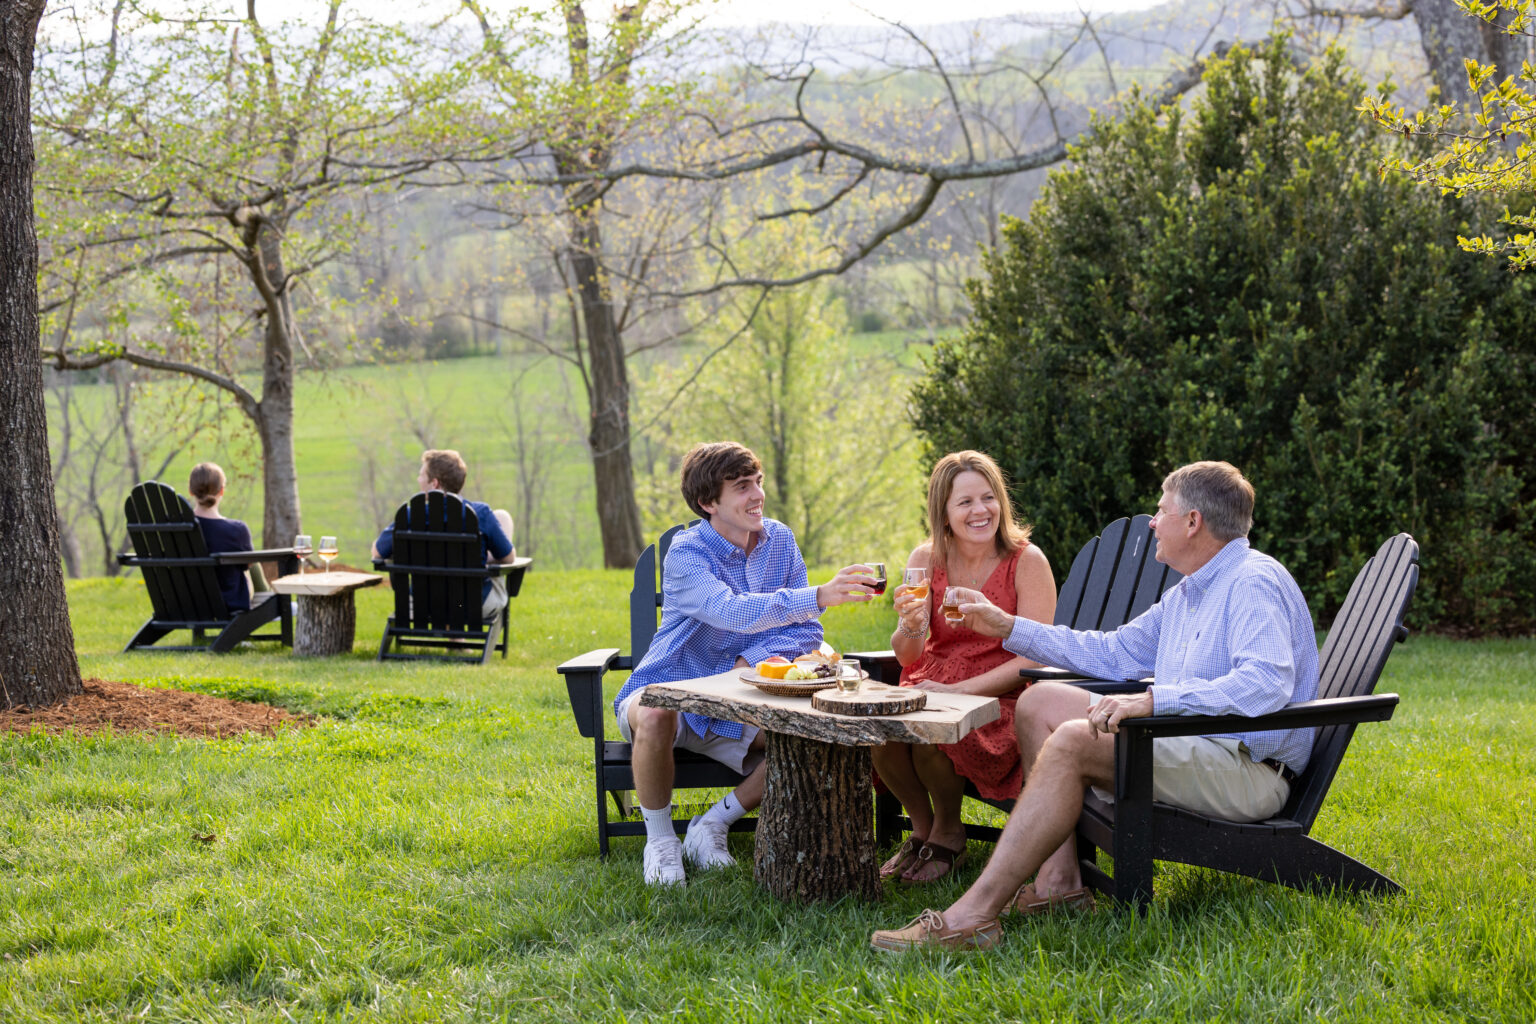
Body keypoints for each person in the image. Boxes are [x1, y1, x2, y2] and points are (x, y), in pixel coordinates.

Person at [870, 460, 1320, 951]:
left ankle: (972, 917)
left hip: (1246, 770)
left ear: (1193, 522)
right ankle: (1060, 882)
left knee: (1072, 740)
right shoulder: (1191, 590)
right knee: (1039, 703)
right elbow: (1111, 651)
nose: (1152, 521)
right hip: (1194, 746)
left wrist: (1153, 701)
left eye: (1161, 510)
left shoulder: (1253, 581)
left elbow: (1266, 683)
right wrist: (1007, 626)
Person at [613, 441, 879, 886]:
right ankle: (660, 842)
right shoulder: (686, 553)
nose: (757, 494)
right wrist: (816, 596)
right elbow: (729, 609)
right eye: (741, 487)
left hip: (738, 701)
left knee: (810, 738)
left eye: (757, 482)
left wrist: (744, 661)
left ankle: (712, 824)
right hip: (671, 687)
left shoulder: (781, 540)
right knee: (658, 711)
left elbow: (805, 633)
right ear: (707, 502)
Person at [874, 451, 1056, 883]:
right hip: (930, 681)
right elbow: (907, 656)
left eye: (988, 498)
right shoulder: (926, 559)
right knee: (879, 733)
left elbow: (1034, 656)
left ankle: (950, 832)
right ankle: (921, 829)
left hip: (1002, 695)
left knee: (931, 736)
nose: (980, 511)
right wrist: (912, 624)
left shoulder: (1027, 562)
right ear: (944, 512)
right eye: (965, 502)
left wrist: (962, 692)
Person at [370, 449, 517, 620]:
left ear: (435, 483)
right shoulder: (480, 514)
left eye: (421, 475)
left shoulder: (409, 516)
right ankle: (457, 636)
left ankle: (456, 640)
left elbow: (377, 553)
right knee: (503, 518)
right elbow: (508, 558)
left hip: (422, 605)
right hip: (469, 606)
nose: (418, 480)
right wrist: (483, 559)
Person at [188, 462, 262, 613]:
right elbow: (248, 566)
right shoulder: (236, 530)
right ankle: (267, 597)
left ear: (191, 491)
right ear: (221, 491)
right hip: (228, 601)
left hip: (188, 601)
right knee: (250, 560)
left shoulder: (176, 528)